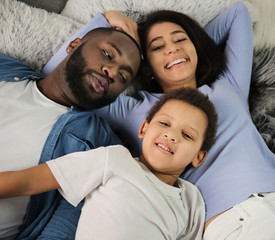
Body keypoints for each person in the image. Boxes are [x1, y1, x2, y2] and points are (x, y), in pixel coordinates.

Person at [44, 2, 275, 239]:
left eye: (180, 40)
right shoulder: (136, 110)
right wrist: (110, 22)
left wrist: (183, 49)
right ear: (146, 66)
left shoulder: (228, 86)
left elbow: (238, 14)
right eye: (158, 47)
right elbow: (60, 74)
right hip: (234, 224)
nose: (173, 49)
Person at [0, 87, 218, 239]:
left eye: (187, 135)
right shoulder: (113, 159)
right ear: (144, 129)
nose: (171, 136)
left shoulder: (191, 200)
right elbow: (27, 181)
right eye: (164, 123)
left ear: (198, 157)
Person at [0, 15, 142, 239]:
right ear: (73, 45)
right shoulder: (5, 67)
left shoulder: (100, 146)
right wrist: (106, 17)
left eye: (124, 76)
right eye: (107, 54)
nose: (113, 72)